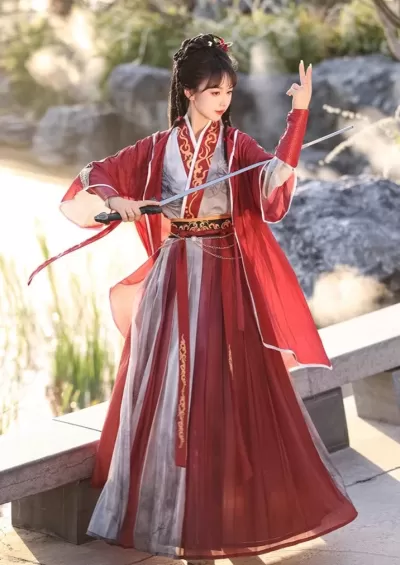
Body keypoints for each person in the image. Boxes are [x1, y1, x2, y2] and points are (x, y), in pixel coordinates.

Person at [30, 33, 357, 564]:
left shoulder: (236, 146)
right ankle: (174, 508)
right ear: (188, 92)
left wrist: (298, 116)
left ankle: (228, 506)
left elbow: (274, 182)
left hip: (225, 276)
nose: (222, 101)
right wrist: (121, 200)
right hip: (174, 274)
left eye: (228, 92)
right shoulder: (157, 148)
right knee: (168, 386)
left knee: (225, 386)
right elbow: (95, 175)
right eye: (212, 92)